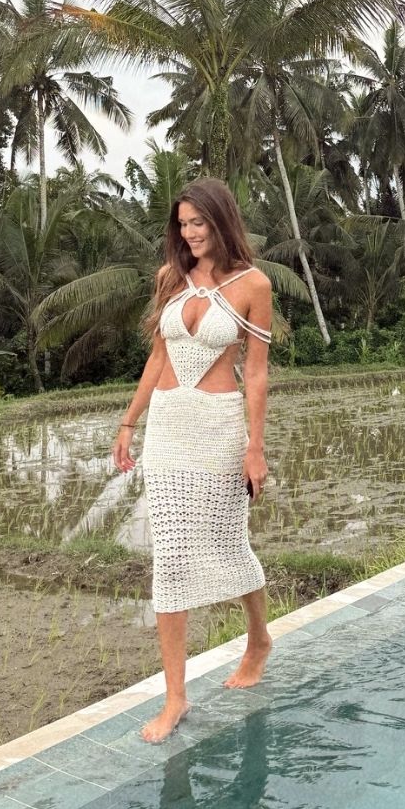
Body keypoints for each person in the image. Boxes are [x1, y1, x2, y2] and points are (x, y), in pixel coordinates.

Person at [112, 178, 274, 743]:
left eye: (198, 224)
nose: (189, 234)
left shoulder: (254, 285)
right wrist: (129, 422)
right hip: (169, 428)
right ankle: (176, 696)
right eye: (182, 225)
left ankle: (259, 639)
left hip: (220, 430)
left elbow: (255, 372)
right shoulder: (172, 279)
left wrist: (255, 447)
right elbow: (160, 355)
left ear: (221, 221)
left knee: (229, 544)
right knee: (172, 557)